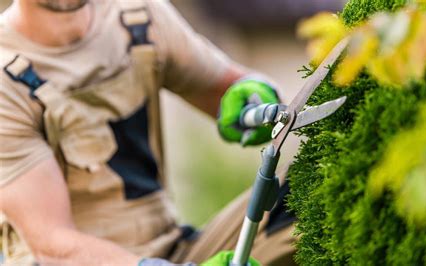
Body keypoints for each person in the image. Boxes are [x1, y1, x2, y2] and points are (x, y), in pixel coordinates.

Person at [0, 0, 296, 265]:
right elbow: (53, 246)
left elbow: (228, 91)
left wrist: (256, 100)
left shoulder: (138, 16)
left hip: (177, 251)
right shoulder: (5, 75)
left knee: (304, 190)